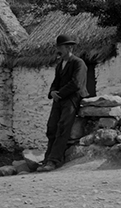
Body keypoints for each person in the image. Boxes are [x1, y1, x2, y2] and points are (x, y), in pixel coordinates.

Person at [38, 34, 89, 173]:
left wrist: (59, 93)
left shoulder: (78, 63)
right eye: (58, 47)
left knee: (63, 128)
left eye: (61, 47)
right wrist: (52, 92)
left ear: (69, 48)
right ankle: (47, 158)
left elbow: (76, 84)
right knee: (51, 128)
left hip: (72, 99)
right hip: (59, 99)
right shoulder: (60, 65)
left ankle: (54, 161)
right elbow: (55, 82)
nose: (58, 50)